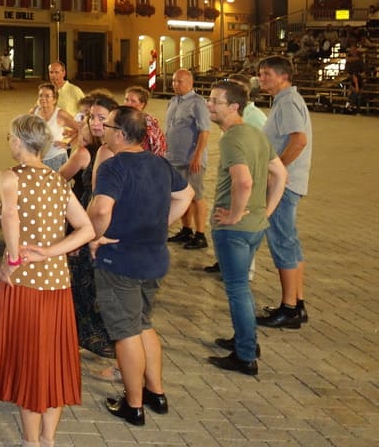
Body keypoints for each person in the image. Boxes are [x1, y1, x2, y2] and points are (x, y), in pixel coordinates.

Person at [0, 114, 95, 446]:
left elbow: (10, 215)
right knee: (53, 363)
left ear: (20, 142)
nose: (9, 142)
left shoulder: (9, 177)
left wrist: (14, 257)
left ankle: (31, 441)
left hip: (25, 285)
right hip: (57, 285)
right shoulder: (57, 181)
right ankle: (49, 439)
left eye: (10, 137)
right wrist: (52, 252)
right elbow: (86, 229)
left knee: (29, 363)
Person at [88, 106, 193, 427]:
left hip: (121, 260)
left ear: (120, 134)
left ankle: (133, 404)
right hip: (153, 257)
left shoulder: (114, 166)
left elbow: (102, 208)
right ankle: (155, 392)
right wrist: (159, 226)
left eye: (106, 125)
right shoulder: (159, 164)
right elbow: (186, 195)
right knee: (144, 322)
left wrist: (94, 235)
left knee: (125, 332)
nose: (102, 130)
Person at [205, 80, 287, 375]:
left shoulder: (231, 139)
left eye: (215, 101)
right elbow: (280, 174)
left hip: (235, 230)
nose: (209, 105)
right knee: (241, 288)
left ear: (234, 107)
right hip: (255, 227)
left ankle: (245, 355)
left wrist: (234, 215)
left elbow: (244, 182)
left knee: (237, 289)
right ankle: (244, 338)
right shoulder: (255, 133)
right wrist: (265, 211)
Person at [58, 93, 119, 360]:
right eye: (91, 117)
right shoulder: (90, 151)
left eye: (101, 118)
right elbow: (61, 181)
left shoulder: (105, 152)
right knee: (88, 282)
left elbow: (101, 197)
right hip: (90, 222)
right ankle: (90, 333)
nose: (95, 123)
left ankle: (92, 333)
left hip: (96, 223)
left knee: (90, 282)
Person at [255, 55, 314, 329]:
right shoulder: (286, 101)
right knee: (290, 242)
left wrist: (277, 169)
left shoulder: (288, 102)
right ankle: (297, 303)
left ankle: (288, 308)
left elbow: (298, 140)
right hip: (288, 183)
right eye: (261, 73)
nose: (262, 78)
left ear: (283, 76)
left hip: (284, 186)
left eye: (266, 74)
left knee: (281, 242)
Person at [164, 68, 211, 251]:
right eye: (174, 81)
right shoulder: (173, 101)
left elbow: (204, 132)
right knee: (179, 195)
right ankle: (186, 229)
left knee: (196, 196)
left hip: (191, 160)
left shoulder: (198, 103)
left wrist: (197, 157)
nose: (175, 84)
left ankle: (200, 234)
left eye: (180, 81)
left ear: (190, 82)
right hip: (173, 158)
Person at [32, 83, 77, 172]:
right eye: (41, 95)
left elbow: (80, 129)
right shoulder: (34, 112)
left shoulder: (60, 114)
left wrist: (68, 145)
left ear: (54, 99)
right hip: (38, 159)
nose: (43, 99)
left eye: (47, 96)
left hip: (56, 157)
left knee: (54, 185)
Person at [123, 86, 167, 157]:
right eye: (126, 99)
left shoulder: (149, 123)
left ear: (142, 105)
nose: (127, 104)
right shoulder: (121, 118)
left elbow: (158, 146)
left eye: (133, 101)